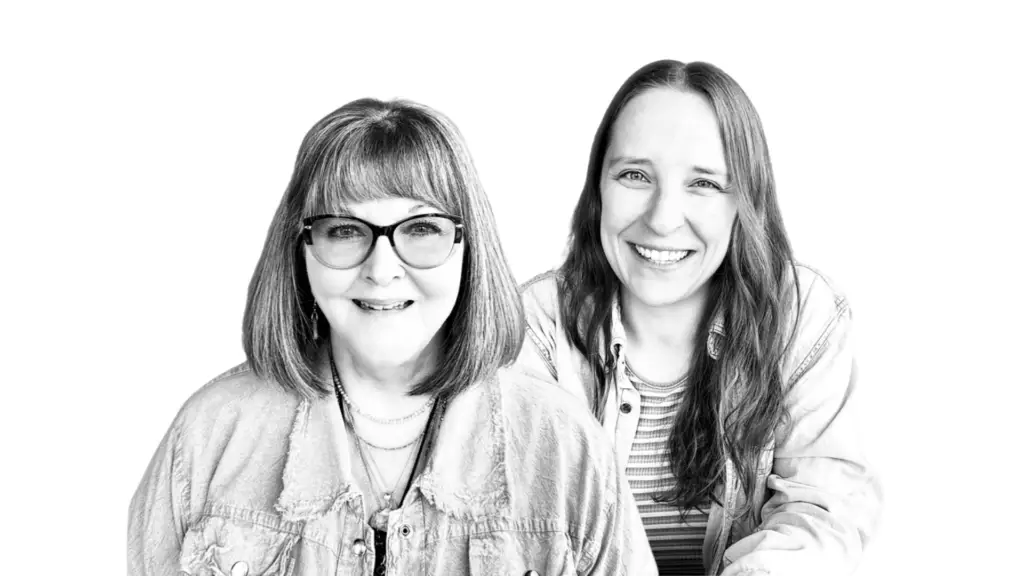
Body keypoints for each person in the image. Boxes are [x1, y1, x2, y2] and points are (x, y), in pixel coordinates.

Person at [128, 98, 656, 575]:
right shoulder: (208, 437)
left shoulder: (567, 447)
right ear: (300, 250)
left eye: (421, 229)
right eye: (344, 231)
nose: (382, 270)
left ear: (469, 247)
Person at [514, 60, 883, 576]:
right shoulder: (535, 326)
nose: (663, 219)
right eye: (635, 175)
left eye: (704, 183)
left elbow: (821, 513)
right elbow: (521, 532)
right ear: (598, 189)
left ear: (744, 202)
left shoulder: (802, 315)